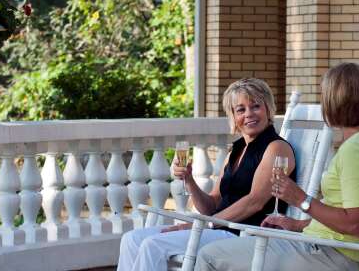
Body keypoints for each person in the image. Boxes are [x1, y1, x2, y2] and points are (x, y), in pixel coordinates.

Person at [194, 62, 359, 271]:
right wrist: (296, 225)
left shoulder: (354, 151)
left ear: (336, 102)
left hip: (328, 255)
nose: (324, 104)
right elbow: (344, 218)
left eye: (325, 96)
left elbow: (355, 224)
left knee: (210, 255)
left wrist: (301, 199)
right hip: (322, 246)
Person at [116, 78, 297, 271]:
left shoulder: (276, 147)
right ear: (233, 116)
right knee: (131, 239)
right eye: (240, 109)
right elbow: (210, 206)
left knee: (153, 245)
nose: (249, 114)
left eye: (256, 106)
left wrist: (206, 225)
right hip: (217, 227)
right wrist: (189, 180)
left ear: (268, 108)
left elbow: (255, 201)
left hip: (241, 233)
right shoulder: (235, 150)